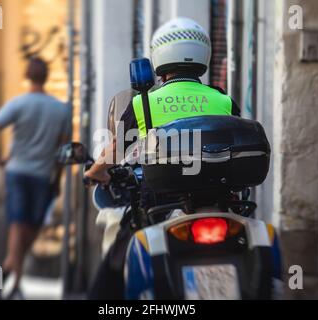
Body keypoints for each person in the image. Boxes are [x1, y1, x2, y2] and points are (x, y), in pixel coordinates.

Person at [84, 17, 241, 299]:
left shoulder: (144, 103)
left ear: (159, 58)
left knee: (111, 271)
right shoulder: (223, 100)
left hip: (159, 202)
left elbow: (117, 148)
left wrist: (95, 172)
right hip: (218, 201)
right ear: (204, 54)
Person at [0, 57, 71, 299]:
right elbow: (62, 151)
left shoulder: (18, 104)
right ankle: (17, 284)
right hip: (43, 176)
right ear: (46, 76)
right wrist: (57, 179)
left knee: (20, 228)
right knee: (27, 228)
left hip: (17, 172)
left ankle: (6, 270)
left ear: (27, 75)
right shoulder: (61, 109)